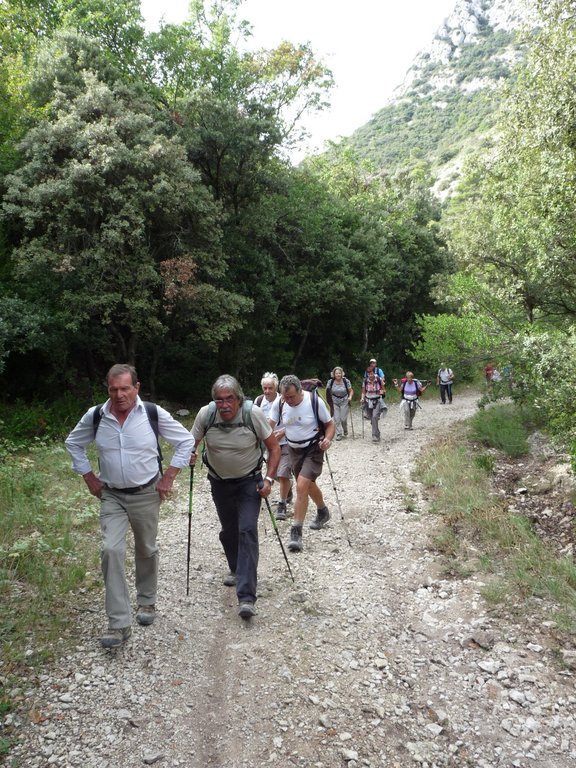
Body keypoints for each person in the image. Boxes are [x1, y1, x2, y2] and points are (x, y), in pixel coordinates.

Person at [65, 363, 195, 649]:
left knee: (146, 548)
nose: (119, 394)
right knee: (111, 549)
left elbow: (185, 441)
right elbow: (73, 443)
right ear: (107, 389)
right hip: (111, 494)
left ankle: (146, 602)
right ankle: (118, 623)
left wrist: (168, 477)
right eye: (114, 389)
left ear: (136, 387)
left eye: (125, 388)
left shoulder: (151, 413)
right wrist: (88, 476)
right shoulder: (97, 415)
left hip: (147, 492)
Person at [190, 375, 280, 619]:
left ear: (239, 399)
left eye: (229, 399)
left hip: (250, 482)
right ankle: (235, 566)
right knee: (229, 530)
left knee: (247, 530)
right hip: (219, 481)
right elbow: (191, 442)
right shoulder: (205, 415)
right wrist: (190, 453)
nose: (224, 405)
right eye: (219, 400)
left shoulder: (253, 414)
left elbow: (274, 447)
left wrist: (269, 479)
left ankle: (247, 597)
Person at [269, 375, 335, 553]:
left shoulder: (313, 401)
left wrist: (328, 439)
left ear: (300, 391)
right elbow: (269, 425)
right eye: (285, 397)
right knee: (307, 485)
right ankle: (322, 511)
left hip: (313, 448)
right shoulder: (281, 403)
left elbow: (330, 424)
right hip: (293, 450)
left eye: (291, 397)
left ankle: (296, 532)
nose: (288, 400)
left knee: (301, 486)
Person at [255, 372, 293, 520]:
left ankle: (282, 505)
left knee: (283, 472)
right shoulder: (258, 402)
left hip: (286, 442)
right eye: (265, 388)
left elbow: (296, 419)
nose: (267, 391)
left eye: (270, 388)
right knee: (274, 473)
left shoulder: (285, 400)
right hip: (267, 443)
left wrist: (284, 431)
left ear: (276, 387)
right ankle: (288, 490)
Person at [325, 366, 354, 441]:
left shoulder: (346, 381)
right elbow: (327, 391)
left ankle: (345, 430)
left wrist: (350, 397)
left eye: (339, 373)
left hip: (344, 400)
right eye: (336, 373)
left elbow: (351, 391)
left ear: (342, 374)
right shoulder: (330, 382)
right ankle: (339, 434)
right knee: (336, 419)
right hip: (334, 401)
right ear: (334, 374)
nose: (338, 374)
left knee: (343, 419)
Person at [361, 368, 386, 442]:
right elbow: (363, 392)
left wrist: (381, 393)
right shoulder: (365, 381)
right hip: (368, 401)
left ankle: (374, 436)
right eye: (368, 374)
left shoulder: (378, 379)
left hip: (377, 400)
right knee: (371, 418)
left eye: (371, 373)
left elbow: (383, 389)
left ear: (374, 373)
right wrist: (362, 398)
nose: (370, 375)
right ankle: (377, 432)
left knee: (374, 416)